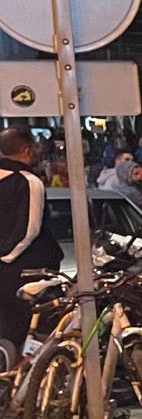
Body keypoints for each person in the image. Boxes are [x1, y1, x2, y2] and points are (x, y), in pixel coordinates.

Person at [0, 128, 63, 350]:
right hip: (29, 269)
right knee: (36, 332)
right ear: (27, 150)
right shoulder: (28, 181)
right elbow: (29, 229)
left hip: (8, 272)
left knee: (8, 331)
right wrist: (6, 257)